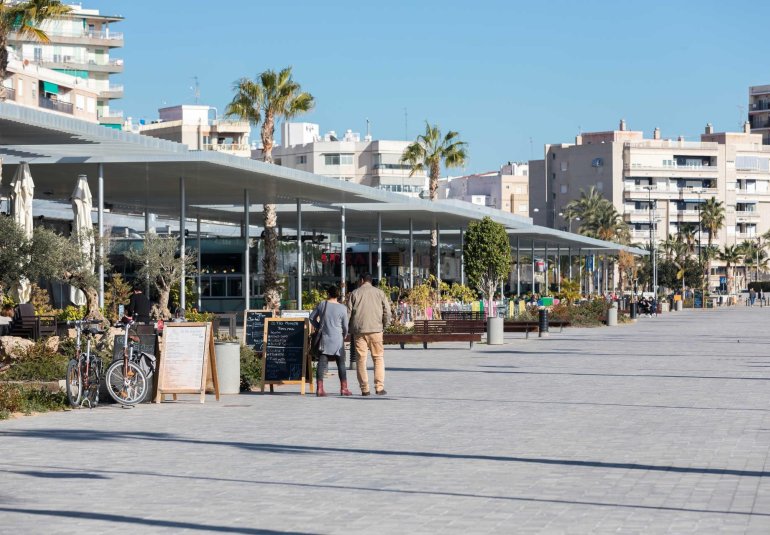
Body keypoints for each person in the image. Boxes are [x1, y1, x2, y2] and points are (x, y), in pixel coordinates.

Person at [347, 273, 391, 396]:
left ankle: (364, 389)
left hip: (359, 331)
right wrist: (384, 326)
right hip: (376, 330)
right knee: (378, 358)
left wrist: (347, 328)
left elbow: (348, 313)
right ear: (371, 281)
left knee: (361, 360)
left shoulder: (354, 293)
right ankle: (379, 387)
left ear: (361, 280)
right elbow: (387, 312)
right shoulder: (380, 293)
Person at [309, 286, 350, 397]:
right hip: (338, 339)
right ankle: (344, 389)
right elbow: (345, 326)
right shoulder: (342, 308)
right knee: (341, 363)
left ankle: (320, 389)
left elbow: (311, 317)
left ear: (328, 294)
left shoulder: (322, 304)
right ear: (338, 295)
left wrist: (319, 327)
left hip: (325, 339)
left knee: (321, 364)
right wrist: (344, 335)